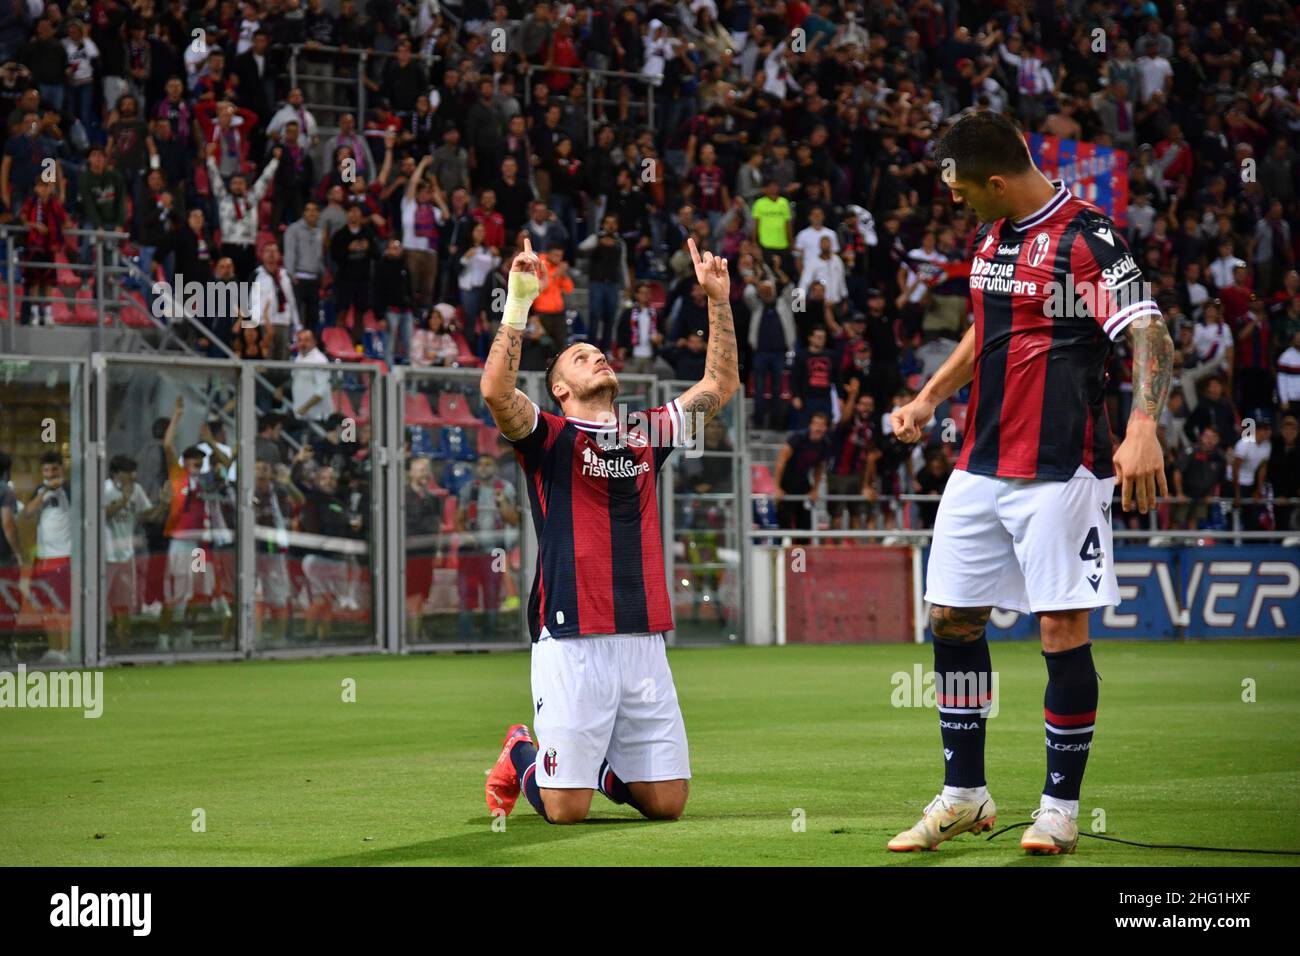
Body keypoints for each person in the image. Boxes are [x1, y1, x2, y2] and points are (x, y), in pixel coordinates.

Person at [888, 111, 1173, 855]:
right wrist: (928, 398)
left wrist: (1143, 426)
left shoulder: (1087, 236)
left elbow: (1147, 327)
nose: (952, 201)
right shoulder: (990, 235)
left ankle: (1058, 810)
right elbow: (989, 329)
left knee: (1059, 630)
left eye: (958, 188)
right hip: (979, 464)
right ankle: (963, 794)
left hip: (1059, 468)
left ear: (994, 180)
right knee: (951, 618)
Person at [481, 236, 739, 825]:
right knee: (564, 811)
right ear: (561, 390)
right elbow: (496, 392)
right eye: (580, 357)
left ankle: (584, 762)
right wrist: (519, 300)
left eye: (600, 352)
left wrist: (718, 302)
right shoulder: (547, 436)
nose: (597, 357)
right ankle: (523, 748)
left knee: (667, 804)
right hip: (571, 635)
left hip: (642, 634)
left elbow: (718, 388)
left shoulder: (645, 432)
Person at [455, 455, 519, 639]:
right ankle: (465, 640)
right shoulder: (468, 489)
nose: (483, 468)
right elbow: (458, 520)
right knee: (467, 593)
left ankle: (489, 638)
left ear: (495, 467)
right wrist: (466, 536)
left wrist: (502, 502)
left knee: (492, 593)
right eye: (480, 464)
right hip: (471, 551)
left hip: (496, 552)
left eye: (488, 464)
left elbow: (513, 519)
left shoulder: (505, 488)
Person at [24, 451, 73, 661]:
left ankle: (67, 650)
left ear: (62, 469)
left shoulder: (71, 489)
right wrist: (44, 491)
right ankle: (54, 649)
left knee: (64, 607)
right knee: (48, 607)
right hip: (43, 558)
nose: (50, 474)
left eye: (54, 469)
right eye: (46, 470)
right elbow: (27, 512)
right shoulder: (40, 491)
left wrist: (59, 488)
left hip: (64, 556)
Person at [104, 455, 152, 651]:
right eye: (128, 471)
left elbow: (147, 515)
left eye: (134, 471)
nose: (133, 475)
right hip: (104, 556)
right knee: (100, 604)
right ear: (116, 474)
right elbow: (103, 515)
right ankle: (98, 647)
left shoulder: (137, 490)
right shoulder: (104, 489)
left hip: (126, 556)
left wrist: (165, 504)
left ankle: (124, 648)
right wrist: (124, 497)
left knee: (124, 604)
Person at [772, 410, 831, 537]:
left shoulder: (825, 443)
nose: (818, 428)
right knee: (784, 521)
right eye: (815, 424)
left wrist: (815, 489)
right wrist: (776, 487)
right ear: (810, 425)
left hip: (802, 482)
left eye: (821, 425)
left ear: (826, 428)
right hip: (786, 482)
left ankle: (802, 551)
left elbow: (819, 467)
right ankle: (784, 549)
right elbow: (781, 459)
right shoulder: (798, 438)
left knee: (805, 523)